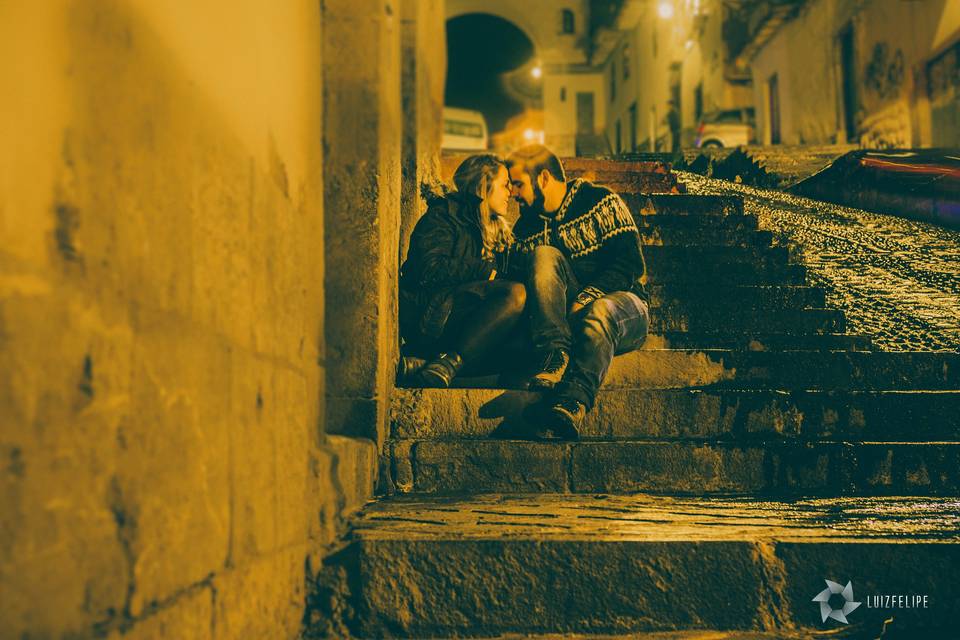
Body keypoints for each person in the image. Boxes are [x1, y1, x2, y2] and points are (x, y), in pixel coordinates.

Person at [507, 144, 649, 439]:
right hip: (565, 322)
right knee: (543, 254)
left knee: (600, 312)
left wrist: (587, 296)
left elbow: (630, 264)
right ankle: (555, 354)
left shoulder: (601, 202)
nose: (513, 193)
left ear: (543, 178)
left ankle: (572, 403)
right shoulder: (525, 229)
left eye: (518, 184)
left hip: (624, 307)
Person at [398, 154, 526, 388]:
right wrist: (484, 271)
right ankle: (450, 363)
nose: (510, 192)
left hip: (465, 324)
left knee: (527, 346)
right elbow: (428, 269)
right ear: (483, 186)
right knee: (514, 295)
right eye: (504, 184)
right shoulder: (444, 215)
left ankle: (427, 366)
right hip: (431, 318)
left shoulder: (497, 232)